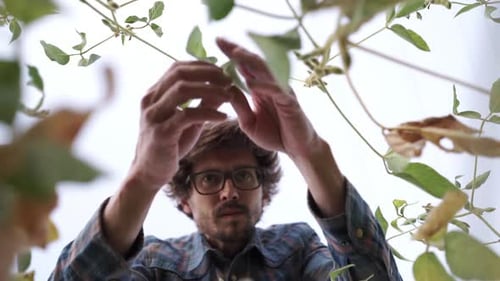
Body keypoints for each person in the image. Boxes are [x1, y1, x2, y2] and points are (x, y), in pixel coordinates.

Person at [49, 38, 402, 281]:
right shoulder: (156, 262)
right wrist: (142, 178)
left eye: (244, 176)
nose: (229, 192)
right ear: (185, 200)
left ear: (264, 192)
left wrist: (309, 152)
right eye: (209, 179)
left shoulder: (298, 245)